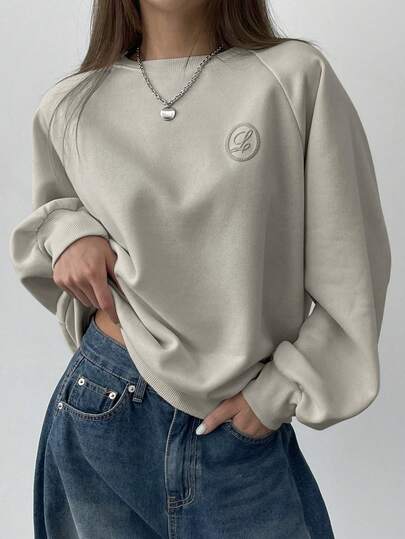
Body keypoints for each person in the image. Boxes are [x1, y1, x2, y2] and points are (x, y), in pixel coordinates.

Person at [9, 1, 391, 538]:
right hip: (103, 406)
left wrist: (277, 393)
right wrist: (70, 234)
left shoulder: (294, 78)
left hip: (238, 427)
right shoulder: (70, 105)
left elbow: (353, 270)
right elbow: (47, 224)